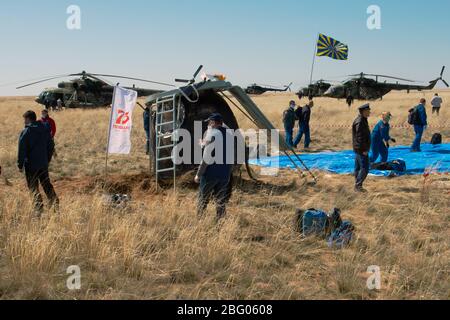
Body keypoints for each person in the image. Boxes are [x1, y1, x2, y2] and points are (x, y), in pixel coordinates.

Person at [18, 110, 59, 216]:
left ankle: (38, 208)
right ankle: (54, 202)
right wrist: (47, 159)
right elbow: (51, 146)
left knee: (33, 186)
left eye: (24, 119)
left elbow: (22, 149)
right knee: (46, 184)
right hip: (43, 164)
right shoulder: (45, 129)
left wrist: (20, 164)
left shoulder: (26, 132)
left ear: (28, 119)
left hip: (31, 165)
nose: (24, 122)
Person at [194, 113, 233, 221]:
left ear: (212, 123)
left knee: (203, 199)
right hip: (224, 174)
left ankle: (200, 221)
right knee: (220, 201)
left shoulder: (212, 135)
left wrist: (198, 175)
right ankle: (220, 222)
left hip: (210, 174)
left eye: (209, 122)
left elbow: (206, 158)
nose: (208, 125)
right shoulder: (229, 135)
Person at [352, 104, 372, 193]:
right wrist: (364, 150)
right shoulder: (360, 121)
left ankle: (357, 185)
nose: (369, 112)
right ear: (363, 111)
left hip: (358, 148)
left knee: (358, 167)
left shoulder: (362, 119)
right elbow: (360, 137)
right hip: (361, 149)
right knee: (365, 168)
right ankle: (358, 186)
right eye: (368, 111)